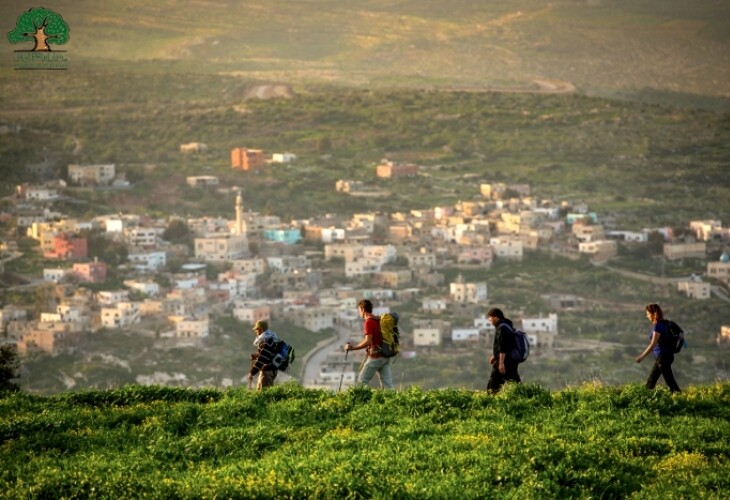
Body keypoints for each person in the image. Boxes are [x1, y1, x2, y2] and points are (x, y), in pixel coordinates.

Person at [344, 299, 394, 390]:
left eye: (359, 310)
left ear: (362, 310)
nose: (359, 313)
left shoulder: (369, 322)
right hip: (385, 356)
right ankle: (392, 402)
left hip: (376, 357)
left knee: (362, 380)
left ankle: (363, 402)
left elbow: (368, 341)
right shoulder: (377, 320)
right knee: (388, 385)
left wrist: (353, 348)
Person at [636, 303, 681, 393]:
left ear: (653, 314)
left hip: (662, 357)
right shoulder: (665, 324)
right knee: (651, 380)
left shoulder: (658, 326)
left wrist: (641, 357)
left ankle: (681, 399)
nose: (647, 316)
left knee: (670, 382)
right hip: (667, 356)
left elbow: (653, 344)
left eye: (648, 314)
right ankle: (644, 398)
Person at [486, 307, 521, 393]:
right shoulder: (507, 325)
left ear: (495, 317)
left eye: (490, 318)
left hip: (504, 361)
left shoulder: (501, 328)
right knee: (514, 381)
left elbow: (503, 346)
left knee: (493, 382)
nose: (489, 320)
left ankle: (490, 401)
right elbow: (506, 344)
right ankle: (523, 395)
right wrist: (495, 355)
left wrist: (501, 363)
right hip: (511, 360)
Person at [248, 320, 279, 390]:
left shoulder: (265, 340)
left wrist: (252, 373)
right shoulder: (272, 338)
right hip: (272, 369)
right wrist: (256, 355)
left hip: (267, 371)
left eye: (257, 330)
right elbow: (267, 353)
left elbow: (262, 359)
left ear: (261, 329)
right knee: (260, 391)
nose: (256, 332)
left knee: (264, 394)